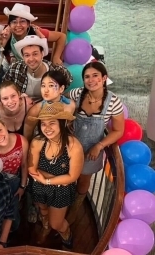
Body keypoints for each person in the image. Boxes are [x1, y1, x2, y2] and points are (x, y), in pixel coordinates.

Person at [66, 62, 124, 224]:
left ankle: (74, 211)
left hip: (92, 151)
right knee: (65, 176)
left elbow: (118, 130)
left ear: (104, 78)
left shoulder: (113, 102)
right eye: (87, 77)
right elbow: (61, 104)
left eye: (95, 76)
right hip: (70, 146)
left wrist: (99, 146)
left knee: (83, 180)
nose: (91, 80)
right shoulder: (76, 94)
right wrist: (67, 121)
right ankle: (62, 204)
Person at [28, 102, 83, 248]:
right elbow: (32, 169)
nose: (47, 128)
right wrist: (59, 179)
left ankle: (66, 234)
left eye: (52, 123)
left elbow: (72, 177)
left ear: (62, 123)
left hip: (60, 191)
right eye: (43, 124)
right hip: (41, 186)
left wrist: (46, 180)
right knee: (43, 211)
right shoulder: (38, 142)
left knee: (56, 223)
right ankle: (45, 226)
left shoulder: (73, 146)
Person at [0, 111, 29, 231]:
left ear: (5, 126)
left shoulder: (21, 141)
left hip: (16, 180)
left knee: (15, 212)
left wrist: (22, 186)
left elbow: (24, 165)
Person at [3, 35, 72, 101]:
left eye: (35, 54)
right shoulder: (15, 68)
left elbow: (68, 80)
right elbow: (4, 87)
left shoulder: (57, 70)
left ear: (42, 54)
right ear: (23, 57)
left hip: (47, 108)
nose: (31, 59)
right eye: (27, 55)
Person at [2, 3, 66, 65]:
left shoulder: (36, 32)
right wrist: (4, 39)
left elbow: (61, 36)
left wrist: (56, 57)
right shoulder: (5, 35)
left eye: (22, 21)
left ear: (28, 24)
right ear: (9, 24)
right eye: (14, 22)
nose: (18, 25)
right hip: (15, 70)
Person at [24, 70, 76, 141]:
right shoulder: (36, 109)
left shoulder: (70, 105)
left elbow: (69, 128)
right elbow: (28, 132)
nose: (46, 90)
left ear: (61, 88)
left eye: (51, 85)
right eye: (43, 86)